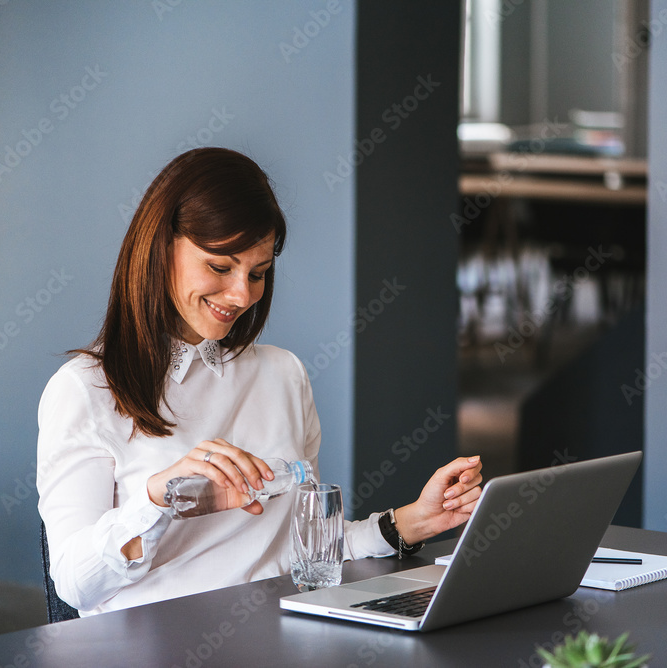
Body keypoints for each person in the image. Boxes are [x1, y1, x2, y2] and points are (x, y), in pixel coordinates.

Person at [37, 147, 483, 616]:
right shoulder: (85, 389)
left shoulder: (283, 374)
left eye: (259, 273)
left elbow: (304, 552)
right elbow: (75, 585)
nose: (241, 294)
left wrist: (409, 523)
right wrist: (157, 497)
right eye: (220, 266)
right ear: (159, 246)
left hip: (283, 633)